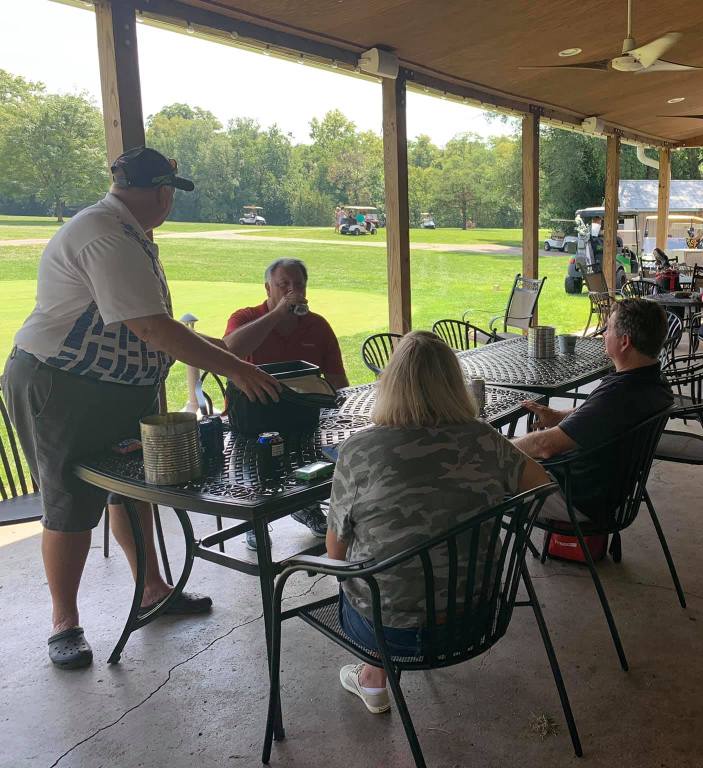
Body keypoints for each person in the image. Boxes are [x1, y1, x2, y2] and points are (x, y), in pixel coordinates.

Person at [1, 147, 281, 670]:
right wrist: (236, 368)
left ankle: (153, 589)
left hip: (113, 388)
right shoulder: (106, 234)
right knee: (70, 502)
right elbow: (151, 328)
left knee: (132, 487)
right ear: (163, 192)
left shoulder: (127, 231)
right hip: (61, 384)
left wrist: (207, 358)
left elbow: (151, 329)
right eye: (171, 193)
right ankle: (65, 622)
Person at [326, 331, 549, 713]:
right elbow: (542, 487)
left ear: (389, 384)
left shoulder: (358, 450)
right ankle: (375, 675)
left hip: (388, 632)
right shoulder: (484, 439)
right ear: (453, 383)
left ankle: (373, 677)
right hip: (476, 617)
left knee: (364, 569)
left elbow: (335, 552)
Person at [512, 299, 673, 524]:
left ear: (624, 342)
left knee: (482, 470)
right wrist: (560, 417)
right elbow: (599, 414)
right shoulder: (655, 382)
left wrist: (498, 447)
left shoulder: (620, 393)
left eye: (608, 328)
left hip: (575, 497)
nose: (604, 334)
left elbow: (545, 446)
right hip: (605, 490)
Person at [224, 257, 349, 544]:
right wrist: (277, 315)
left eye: (299, 285)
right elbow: (227, 351)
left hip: (302, 414)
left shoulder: (317, 326)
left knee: (326, 452)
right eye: (284, 285)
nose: (292, 290)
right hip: (251, 417)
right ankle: (253, 518)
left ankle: (306, 505)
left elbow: (338, 381)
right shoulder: (244, 318)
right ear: (268, 288)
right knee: (253, 464)